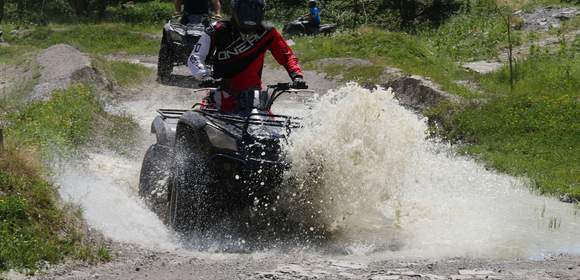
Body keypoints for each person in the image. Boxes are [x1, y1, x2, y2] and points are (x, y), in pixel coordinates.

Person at [187, 0, 307, 113]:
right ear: (235, 9)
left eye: (254, 9)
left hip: (254, 95)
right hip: (221, 93)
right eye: (245, 9)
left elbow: (287, 56)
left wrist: (297, 76)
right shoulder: (217, 29)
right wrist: (204, 75)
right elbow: (196, 57)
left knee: (267, 125)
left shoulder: (268, 32)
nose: (249, 14)